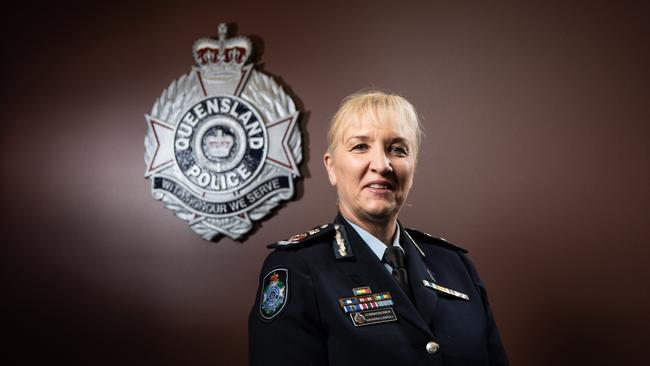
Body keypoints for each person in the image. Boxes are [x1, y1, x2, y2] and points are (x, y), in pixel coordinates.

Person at [248, 90, 509, 366]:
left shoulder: (456, 266)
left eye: (397, 149)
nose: (382, 165)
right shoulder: (297, 269)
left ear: (413, 168)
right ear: (332, 167)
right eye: (360, 146)